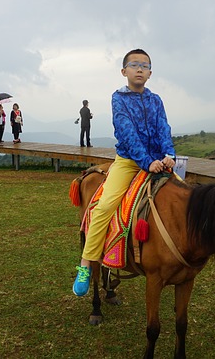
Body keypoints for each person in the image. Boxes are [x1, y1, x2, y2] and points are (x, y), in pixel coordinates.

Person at [72, 48, 176, 297]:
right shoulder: (118, 98)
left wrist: (169, 154)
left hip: (159, 161)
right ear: (124, 71)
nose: (139, 69)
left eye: (145, 65)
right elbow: (126, 131)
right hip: (129, 161)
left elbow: (163, 127)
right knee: (105, 205)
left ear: (150, 73)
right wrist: (147, 161)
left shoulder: (156, 99)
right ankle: (87, 263)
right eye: (134, 64)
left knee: (185, 197)